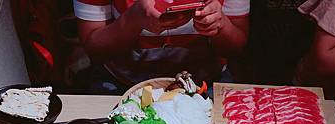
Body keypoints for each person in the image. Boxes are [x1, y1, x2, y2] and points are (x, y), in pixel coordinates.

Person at [74, 0, 249, 93]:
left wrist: (220, 26)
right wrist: (131, 21)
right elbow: (95, 50)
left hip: (204, 83)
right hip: (124, 82)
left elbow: (235, 48)